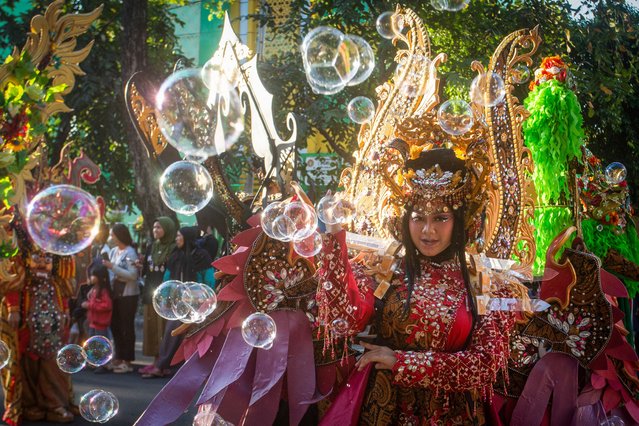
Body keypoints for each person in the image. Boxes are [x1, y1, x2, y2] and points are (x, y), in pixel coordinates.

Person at [318, 148, 517, 424]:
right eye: (418, 218)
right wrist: (333, 236)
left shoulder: (486, 283)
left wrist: (403, 362)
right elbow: (344, 317)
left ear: (459, 221)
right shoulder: (385, 268)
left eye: (440, 218)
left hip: (452, 414)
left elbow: (482, 366)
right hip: (384, 409)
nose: (427, 231)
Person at [141, 226, 215, 378]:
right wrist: (167, 297)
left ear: (187, 237)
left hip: (197, 304)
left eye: (179, 236)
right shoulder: (175, 255)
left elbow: (209, 280)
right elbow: (168, 278)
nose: (176, 239)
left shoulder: (202, 256)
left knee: (194, 336)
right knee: (171, 333)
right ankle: (163, 365)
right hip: (178, 304)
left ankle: (187, 369)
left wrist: (203, 298)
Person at [138, 217, 177, 376]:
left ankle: (163, 363)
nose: (156, 230)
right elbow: (147, 270)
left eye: (159, 227)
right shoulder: (151, 246)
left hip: (165, 295)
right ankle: (155, 361)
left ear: (167, 229)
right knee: (152, 328)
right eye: (154, 227)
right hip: (150, 292)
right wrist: (140, 266)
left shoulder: (174, 248)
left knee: (163, 329)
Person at [103, 223, 139, 374]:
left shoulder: (130, 252)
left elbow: (132, 275)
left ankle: (127, 360)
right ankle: (118, 356)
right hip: (115, 294)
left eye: (113, 235)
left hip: (128, 295)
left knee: (126, 327)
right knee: (115, 325)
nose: (111, 238)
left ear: (119, 235)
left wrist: (114, 268)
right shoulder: (113, 251)